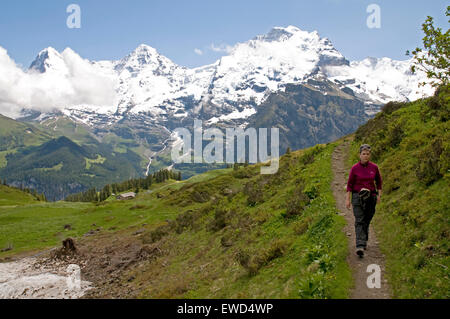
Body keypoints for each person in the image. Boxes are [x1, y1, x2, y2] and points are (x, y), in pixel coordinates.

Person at [345, 144, 382, 257]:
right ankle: (360, 245)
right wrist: (348, 199)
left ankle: (364, 238)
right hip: (357, 196)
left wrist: (379, 195)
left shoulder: (374, 168)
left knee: (367, 218)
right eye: (363, 154)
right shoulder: (354, 168)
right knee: (359, 219)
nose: (365, 156)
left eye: (367, 154)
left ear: (370, 155)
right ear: (359, 155)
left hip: (371, 196)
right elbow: (350, 185)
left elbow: (379, 182)